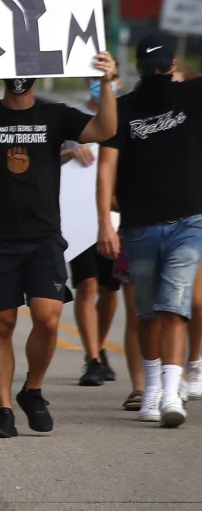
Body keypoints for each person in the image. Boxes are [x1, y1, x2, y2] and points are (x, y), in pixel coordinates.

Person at [0, 52, 117, 438]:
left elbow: (104, 129)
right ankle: (4, 409)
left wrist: (106, 84)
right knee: (1, 324)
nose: (19, 79)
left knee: (48, 318)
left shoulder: (56, 115)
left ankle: (32, 389)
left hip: (43, 237)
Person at [98, 33, 202, 427]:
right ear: (139, 68)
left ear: (174, 67)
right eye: (151, 67)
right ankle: (153, 387)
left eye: (163, 67)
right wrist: (105, 221)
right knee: (146, 314)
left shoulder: (193, 98)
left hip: (190, 221)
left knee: (175, 307)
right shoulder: (123, 110)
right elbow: (106, 167)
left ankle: (171, 394)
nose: (157, 73)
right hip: (139, 225)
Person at [63, 75, 123, 388]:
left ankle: (99, 345)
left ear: (119, 81)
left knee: (110, 288)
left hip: (113, 217)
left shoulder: (124, 116)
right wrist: (70, 152)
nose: (100, 85)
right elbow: (44, 159)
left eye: (108, 80)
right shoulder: (71, 117)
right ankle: (93, 358)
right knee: (86, 285)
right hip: (79, 218)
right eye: (95, 80)